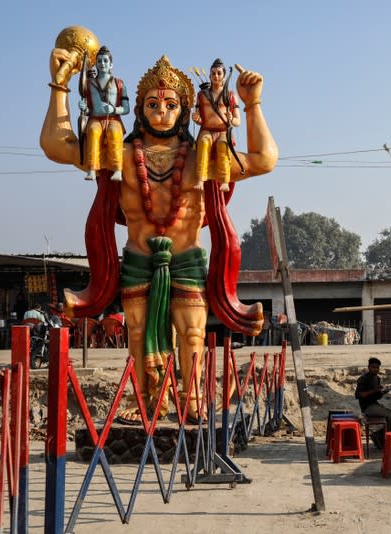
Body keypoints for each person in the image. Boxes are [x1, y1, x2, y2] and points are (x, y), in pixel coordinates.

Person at [42, 43, 277, 424]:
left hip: (185, 258)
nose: (162, 112)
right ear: (138, 109)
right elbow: (56, 146)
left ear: (187, 110)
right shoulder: (120, 151)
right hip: (139, 258)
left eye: (170, 105)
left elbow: (264, 160)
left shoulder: (205, 153)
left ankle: (194, 399)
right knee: (136, 332)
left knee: (192, 332)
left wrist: (252, 105)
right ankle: (145, 400)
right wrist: (59, 87)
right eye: (153, 105)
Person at [79, 46, 130, 181]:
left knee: (114, 132)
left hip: (113, 119)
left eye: (105, 61)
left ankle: (117, 169)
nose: (102, 64)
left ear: (111, 64)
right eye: (99, 61)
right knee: (93, 131)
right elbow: (90, 108)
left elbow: (126, 108)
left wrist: (114, 110)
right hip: (95, 118)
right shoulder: (89, 84)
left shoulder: (119, 84)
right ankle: (92, 169)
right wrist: (84, 108)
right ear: (95, 64)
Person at [192, 58, 241, 191]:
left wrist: (231, 119)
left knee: (223, 145)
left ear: (224, 76)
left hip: (223, 131)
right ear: (209, 76)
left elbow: (238, 121)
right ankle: (200, 179)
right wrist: (196, 118)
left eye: (219, 73)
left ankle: (224, 180)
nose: (216, 76)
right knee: (203, 142)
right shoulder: (202, 95)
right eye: (213, 73)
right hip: (207, 129)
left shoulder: (230, 95)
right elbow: (199, 117)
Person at [355, 357, 391, 449]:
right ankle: (379, 437)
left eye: (377, 368)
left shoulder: (377, 378)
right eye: (373, 367)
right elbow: (359, 395)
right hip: (368, 407)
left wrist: (382, 392)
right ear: (369, 367)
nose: (375, 369)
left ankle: (378, 435)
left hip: (375, 404)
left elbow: (376, 396)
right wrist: (374, 390)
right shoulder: (364, 379)